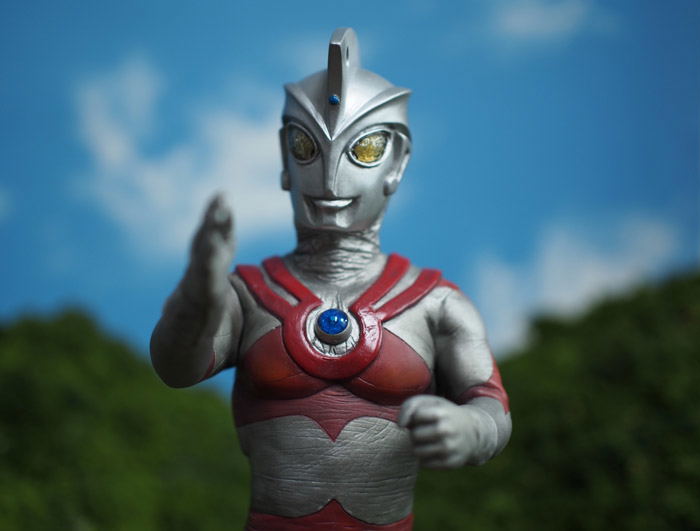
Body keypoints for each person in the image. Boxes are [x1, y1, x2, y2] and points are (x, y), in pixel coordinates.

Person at [150, 27, 511, 531]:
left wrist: (471, 429)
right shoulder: (246, 296)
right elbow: (176, 366)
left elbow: (491, 406)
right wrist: (198, 294)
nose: (330, 179)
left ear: (397, 162)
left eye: (364, 150)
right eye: (306, 147)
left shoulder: (437, 305)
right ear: (285, 157)